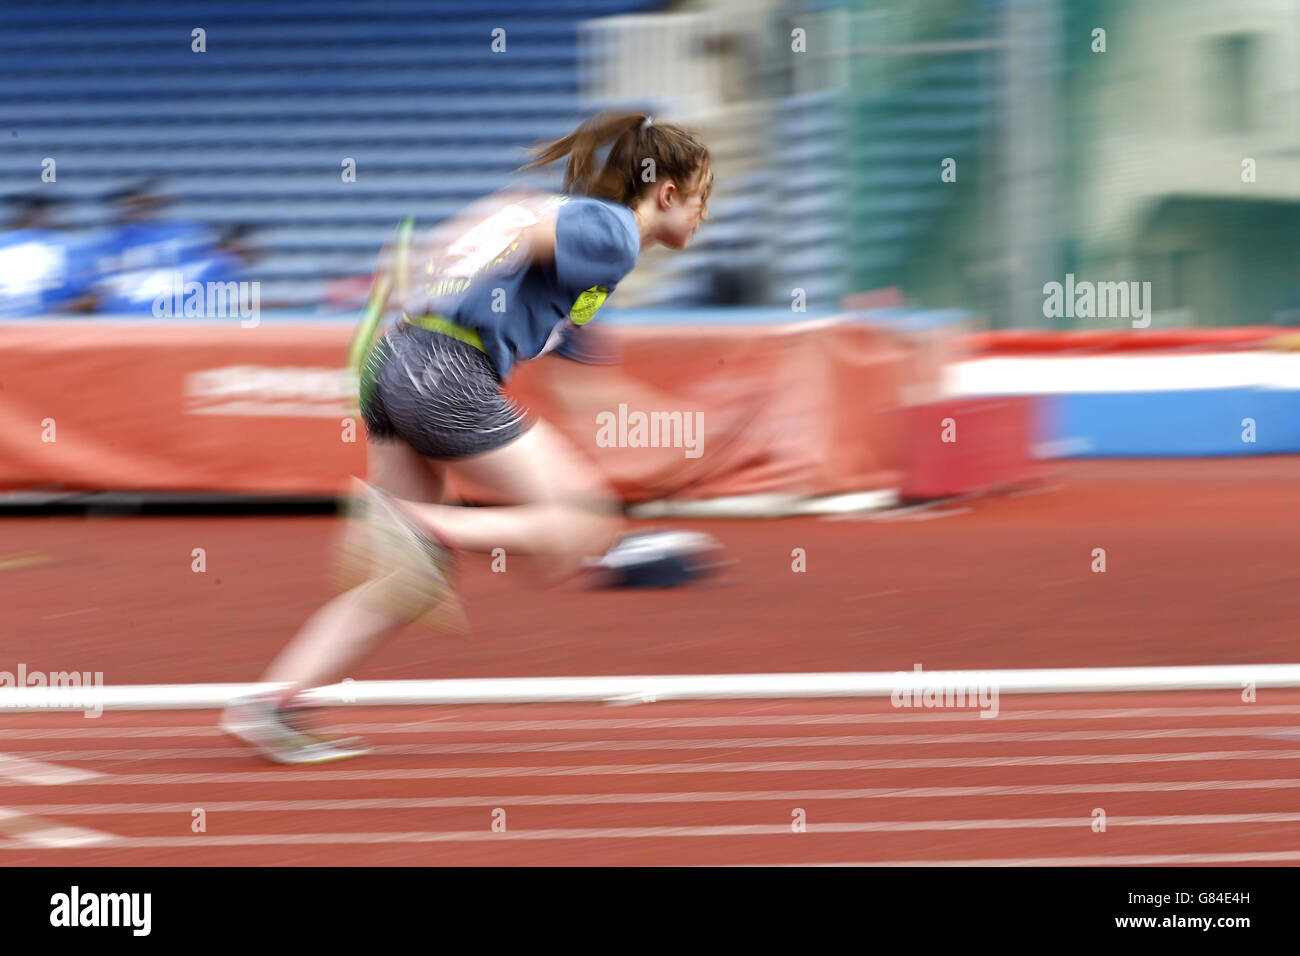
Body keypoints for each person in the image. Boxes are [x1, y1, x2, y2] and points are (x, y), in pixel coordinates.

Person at [222, 111, 713, 763]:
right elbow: (522, 222)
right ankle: (420, 523)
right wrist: (438, 270)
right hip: (443, 366)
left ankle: (274, 703)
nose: (707, 218)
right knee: (577, 524)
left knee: (412, 580)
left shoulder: (593, 261)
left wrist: (675, 429)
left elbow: (583, 383)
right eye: (705, 200)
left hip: (397, 361)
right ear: (668, 193)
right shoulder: (614, 232)